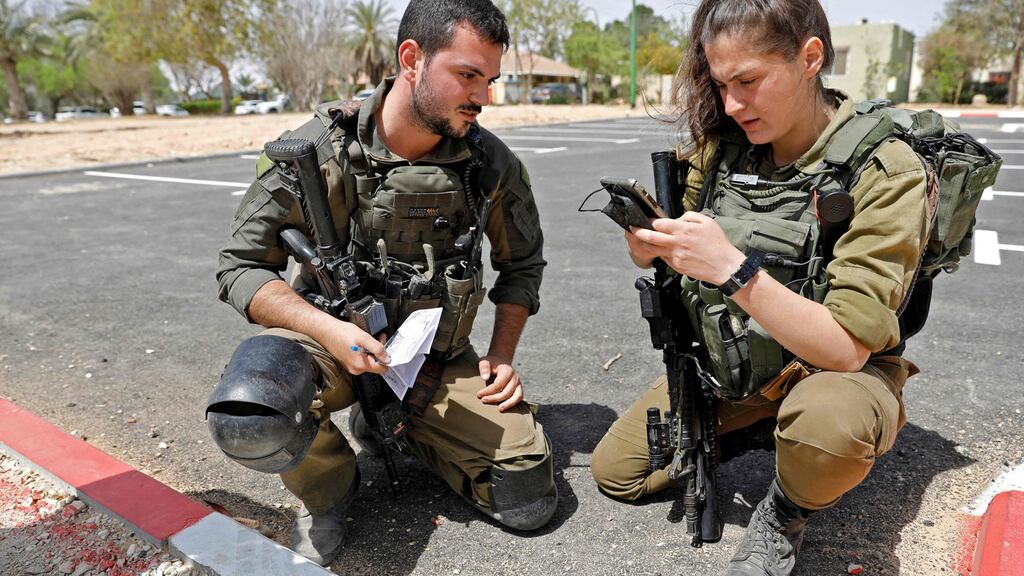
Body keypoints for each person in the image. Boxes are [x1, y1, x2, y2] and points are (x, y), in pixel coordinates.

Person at [210, 0, 555, 566]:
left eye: (490, 79)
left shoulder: (489, 163)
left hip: (437, 359)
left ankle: (407, 425)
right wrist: (325, 327)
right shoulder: (314, 153)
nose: (482, 97)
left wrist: (502, 356)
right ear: (412, 59)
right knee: (252, 411)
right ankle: (330, 492)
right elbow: (239, 268)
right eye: (467, 75)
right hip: (333, 348)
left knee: (525, 497)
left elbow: (523, 265)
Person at [590, 1, 929, 574]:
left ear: (810, 58)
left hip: (833, 373)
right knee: (618, 474)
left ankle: (788, 508)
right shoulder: (723, 149)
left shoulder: (884, 169)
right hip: (732, 368)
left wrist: (733, 269)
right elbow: (661, 249)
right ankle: (769, 427)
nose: (731, 104)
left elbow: (847, 347)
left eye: (748, 81)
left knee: (829, 431)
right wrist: (647, 243)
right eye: (721, 85)